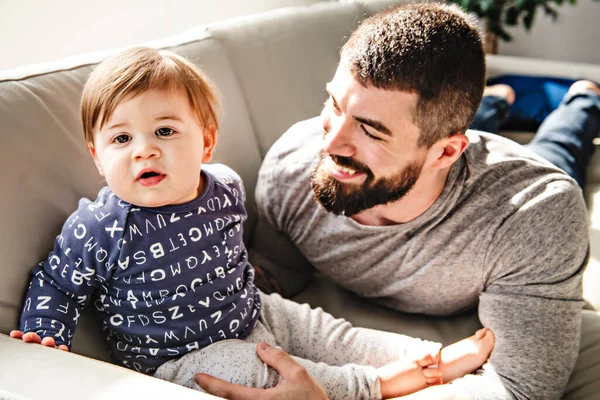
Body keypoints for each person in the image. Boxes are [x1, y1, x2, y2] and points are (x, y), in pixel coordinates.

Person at [9, 46, 497, 400]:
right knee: (252, 367)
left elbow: (233, 253)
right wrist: (45, 333)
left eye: (164, 131)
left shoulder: (223, 185)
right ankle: (377, 386)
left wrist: (253, 302)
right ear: (97, 157)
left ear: (205, 142)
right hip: (179, 360)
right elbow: (56, 282)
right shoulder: (100, 224)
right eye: (120, 139)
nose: (144, 149)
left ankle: (429, 355)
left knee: (324, 331)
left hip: (251, 309)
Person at [227, 3, 593, 399]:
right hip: (431, 145)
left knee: (558, 147)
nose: (330, 143)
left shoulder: (531, 214)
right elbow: (279, 272)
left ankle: (583, 100)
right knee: (427, 133)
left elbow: (519, 391)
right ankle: (494, 100)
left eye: (370, 131)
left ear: (446, 153)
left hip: (496, 175)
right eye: (335, 104)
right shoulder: (292, 166)